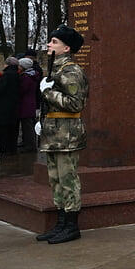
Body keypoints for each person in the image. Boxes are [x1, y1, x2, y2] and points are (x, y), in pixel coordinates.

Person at [34, 25, 88, 244]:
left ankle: (71, 226)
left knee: (68, 179)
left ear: (66, 48)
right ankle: (61, 223)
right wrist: (41, 122)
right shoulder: (56, 70)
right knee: (55, 179)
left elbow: (75, 104)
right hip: (54, 132)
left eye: (54, 42)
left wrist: (49, 92)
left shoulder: (72, 72)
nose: (49, 44)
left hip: (67, 134)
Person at [0, 57, 21, 155]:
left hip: (4, 105)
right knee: (13, 128)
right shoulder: (17, 75)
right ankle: (12, 149)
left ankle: (4, 149)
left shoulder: (6, 75)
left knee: (3, 129)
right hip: (14, 105)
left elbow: (0, 90)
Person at [17, 57, 40, 152]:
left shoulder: (26, 77)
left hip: (26, 104)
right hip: (30, 103)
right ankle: (26, 142)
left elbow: (22, 90)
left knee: (27, 126)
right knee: (27, 124)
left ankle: (30, 145)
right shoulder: (32, 75)